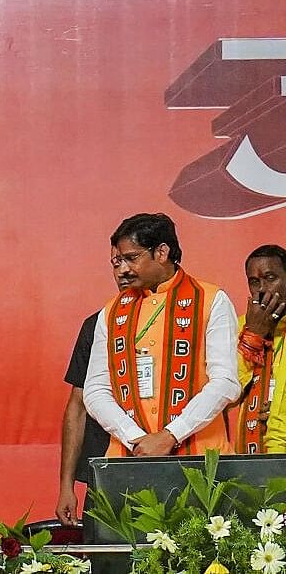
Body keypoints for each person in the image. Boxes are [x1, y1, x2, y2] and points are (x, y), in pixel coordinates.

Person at [83, 213, 241, 457]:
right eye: (119, 261)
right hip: (130, 456)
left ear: (161, 252)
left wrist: (171, 435)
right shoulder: (111, 311)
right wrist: (135, 439)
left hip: (201, 459)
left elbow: (225, 382)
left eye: (131, 258)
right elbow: (95, 389)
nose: (123, 269)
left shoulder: (211, 300)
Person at [55, 310, 113, 526]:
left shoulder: (185, 320)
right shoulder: (98, 324)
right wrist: (66, 486)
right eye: (114, 272)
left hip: (168, 465)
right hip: (105, 476)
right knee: (105, 557)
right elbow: (78, 407)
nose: (123, 274)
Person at [231, 245, 286, 453]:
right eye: (254, 281)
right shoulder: (239, 327)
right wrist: (252, 336)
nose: (261, 288)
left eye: (271, 278)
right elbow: (228, 397)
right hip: (248, 458)